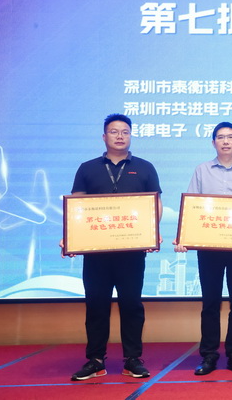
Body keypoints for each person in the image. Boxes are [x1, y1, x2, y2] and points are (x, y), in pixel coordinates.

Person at [66, 113, 162, 381]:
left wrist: (152, 233)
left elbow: (155, 204)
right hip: (97, 253)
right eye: (114, 131)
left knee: (132, 305)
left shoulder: (145, 167)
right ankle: (95, 360)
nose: (120, 136)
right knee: (96, 305)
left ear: (131, 136)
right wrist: (71, 235)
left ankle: (133, 359)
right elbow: (77, 206)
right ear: (104, 136)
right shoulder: (87, 168)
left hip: (132, 252)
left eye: (125, 132)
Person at [173, 122, 232, 375]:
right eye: (221, 137)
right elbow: (192, 207)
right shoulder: (202, 170)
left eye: (230, 137)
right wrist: (184, 237)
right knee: (210, 302)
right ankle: (209, 355)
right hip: (209, 247)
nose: (226, 141)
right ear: (213, 142)